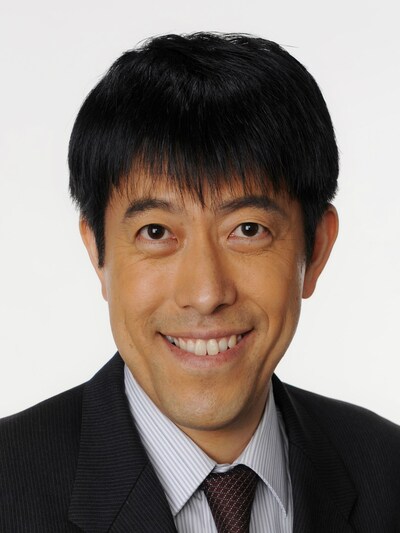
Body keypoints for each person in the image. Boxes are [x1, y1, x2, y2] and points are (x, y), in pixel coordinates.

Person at [1, 32, 399, 533]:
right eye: (156, 232)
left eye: (247, 230)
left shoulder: (388, 473)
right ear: (97, 252)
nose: (207, 294)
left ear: (316, 248)